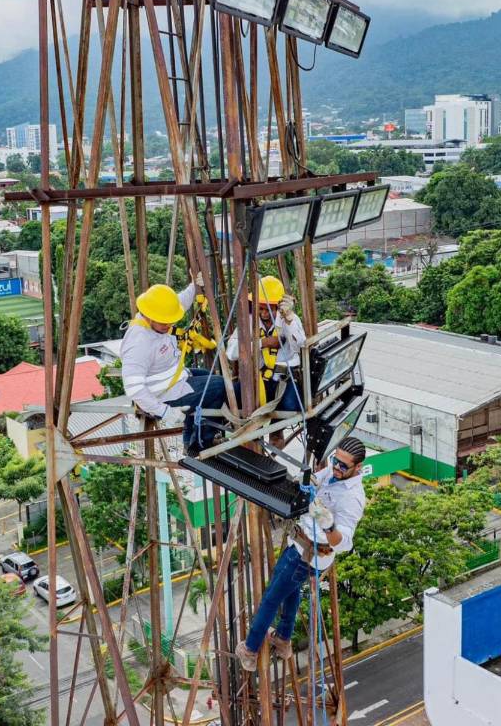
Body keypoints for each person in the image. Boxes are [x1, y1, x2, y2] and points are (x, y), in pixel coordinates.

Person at [235, 437, 368, 671]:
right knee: (291, 591)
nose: (336, 467)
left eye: (343, 466)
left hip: (306, 554)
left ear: (357, 468)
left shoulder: (352, 498)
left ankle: (250, 650)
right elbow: (320, 480)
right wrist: (310, 482)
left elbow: (344, 543)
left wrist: (328, 525)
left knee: (271, 599)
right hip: (302, 545)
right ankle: (284, 639)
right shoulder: (333, 473)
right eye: (336, 461)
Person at [121, 274, 230, 456]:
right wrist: (165, 412)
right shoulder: (139, 342)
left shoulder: (157, 315)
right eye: (164, 322)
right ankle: (201, 443)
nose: (169, 324)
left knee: (207, 374)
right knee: (220, 385)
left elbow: (180, 302)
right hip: (162, 394)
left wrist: (195, 286)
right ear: (148, 316)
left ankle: (189, 438)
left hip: (174, 377)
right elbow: (134, 389)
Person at [225, 275, 306, 443]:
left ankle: (277, 429)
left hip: (283, 379)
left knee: (291, 407)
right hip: (257, 380)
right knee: (239, 403)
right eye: (260, 308)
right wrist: (261, 343)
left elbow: (300, 346)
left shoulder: (289, 320)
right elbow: (231, 352)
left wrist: (289, 321)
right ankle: (256, 434)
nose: (264, 313)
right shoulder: (248, 322)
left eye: (268, 309)